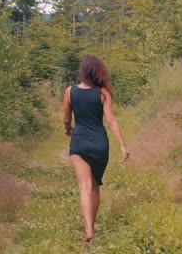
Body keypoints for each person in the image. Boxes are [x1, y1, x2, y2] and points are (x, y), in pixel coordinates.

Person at [63, 54, 130, 242]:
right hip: (100, 144)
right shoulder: (103, 93)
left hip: (79, 142)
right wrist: (123, 146)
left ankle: (89, 230)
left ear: (82, 71)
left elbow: (67, 119)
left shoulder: (70, 91)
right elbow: (110, 120)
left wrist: (68, 130)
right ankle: (92, 226)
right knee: (94, 186)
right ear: (98, 72)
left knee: (84, 187)